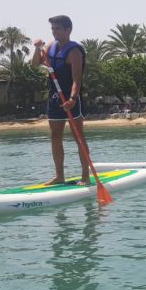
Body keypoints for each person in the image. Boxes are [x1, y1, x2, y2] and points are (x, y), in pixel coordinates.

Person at [32, 15, 89, 185]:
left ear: (68, 30)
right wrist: (36, 49)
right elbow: (35, 64)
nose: (54, 32)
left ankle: (85, 175)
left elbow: (76, 80)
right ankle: (59, 176)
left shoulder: (74, 52)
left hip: (71, 98)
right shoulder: (49, 47)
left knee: (78, 136)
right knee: (55, 136)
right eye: (52, 29)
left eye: (57, 28)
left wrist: (72, 98)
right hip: (55, 97)